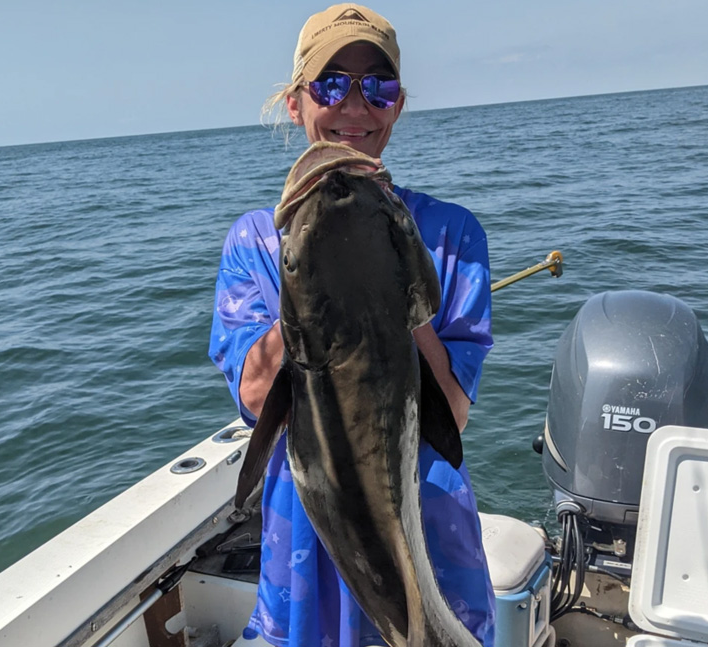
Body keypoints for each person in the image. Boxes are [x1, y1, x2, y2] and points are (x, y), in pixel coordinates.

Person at [209, 4, 495, 646]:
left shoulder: (452, 236)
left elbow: (452, 410)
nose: (355, 106)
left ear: (397, 105)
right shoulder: (254, 241)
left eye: (379, 86)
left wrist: (402, 282)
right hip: (308, 541)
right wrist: (306, 285)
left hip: (429, 533)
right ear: (295, 103)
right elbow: (258, 398)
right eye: (331, 83)